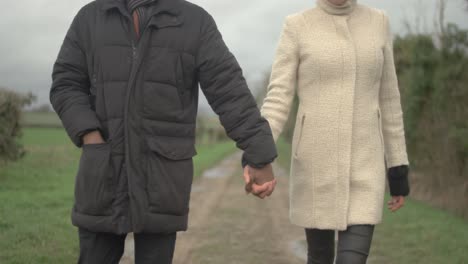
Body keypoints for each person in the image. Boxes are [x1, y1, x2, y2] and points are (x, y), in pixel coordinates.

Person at [49, 0, 277, 263]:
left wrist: (259, 152)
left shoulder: (195, 22)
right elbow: (66, 84)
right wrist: (89, 135)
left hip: (163, 179)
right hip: (102, 175)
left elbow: (229, 92)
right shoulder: (90, 18)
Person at [260, 0, 410, 263]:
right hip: (315, 166)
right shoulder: (297, 26)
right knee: (319, 257)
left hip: (366, 164)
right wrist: (258, 151)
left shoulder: (379, 22)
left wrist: (398, 168)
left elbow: (389, 99)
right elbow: (278, 98)